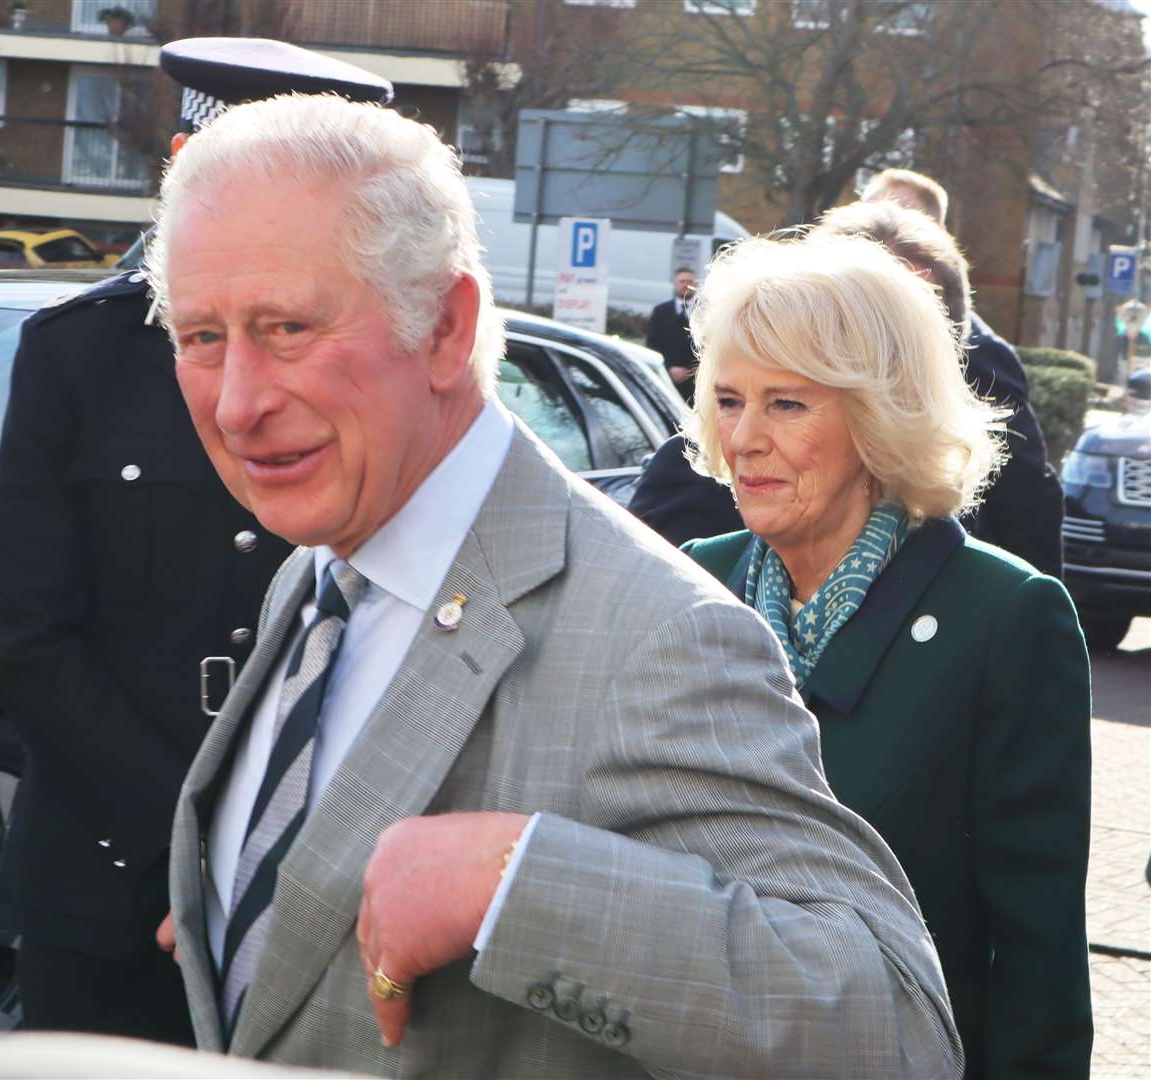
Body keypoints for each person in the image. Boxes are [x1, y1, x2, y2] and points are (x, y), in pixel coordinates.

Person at [150, 94, 963, 1077]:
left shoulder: (659, 632)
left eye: (287, 327)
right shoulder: (312, 577)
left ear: (448, 328)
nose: (237, 404)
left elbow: (891, 1029)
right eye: (200, 337)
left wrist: (516, 889)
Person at [0, 39, 392, 1044]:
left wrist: (274, 856)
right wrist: (189, 851)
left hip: (320, 890)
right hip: (104, 877)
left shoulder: (378, 359)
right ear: (178, 167)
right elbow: (30, 636)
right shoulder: (80, 352)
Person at [681, 232, 1092, 1078]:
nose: (742, 438)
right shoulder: (688, 584)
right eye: (727, 399)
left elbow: (1035, 956)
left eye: (786, 404)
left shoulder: (1003, 617)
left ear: (880, 414)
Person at [859, 169, 1064, 577]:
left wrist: (1029, 607)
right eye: (874, 214)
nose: (884, 233)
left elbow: (1024, 496)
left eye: (904, 216)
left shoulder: (978, 353)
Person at [646, 266, 697, 403]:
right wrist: (669, 368)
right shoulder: (661, 311)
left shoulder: (706, 311)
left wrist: (690, 370)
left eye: (690, 281)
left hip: (696, 382)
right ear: (674, 284)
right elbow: (653, 344)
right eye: (682, 281)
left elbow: (710, 347)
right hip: (666, 378)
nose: (686, 285)